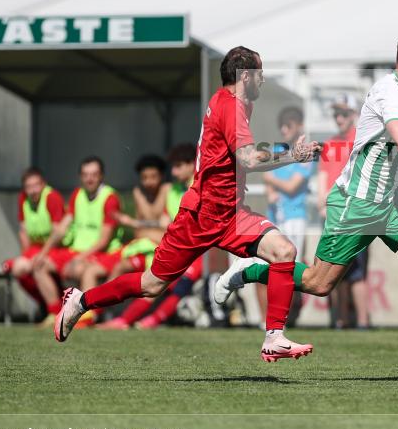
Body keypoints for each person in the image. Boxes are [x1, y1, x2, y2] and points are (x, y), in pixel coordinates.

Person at [216, 30, 398, 369]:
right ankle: (253, 269)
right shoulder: (391, 93)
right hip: (358, 203)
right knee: (318, 283)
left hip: (390, 202)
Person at [53, 46, 321, 363]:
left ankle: (274, 336)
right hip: (201, 216)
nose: (262, 80)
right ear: (245, 76)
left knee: (283, 252)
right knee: (151, 284)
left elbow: (240, 161)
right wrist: (292, 154)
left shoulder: (234, 104)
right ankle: (81, 301)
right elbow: (248, 158)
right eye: (260, 74)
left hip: (231, 214)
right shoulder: (230, 106)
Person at [223, 106, 315, 328]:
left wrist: (273, 182)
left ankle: (282, 319)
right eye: (282, 126)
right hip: (276, 218)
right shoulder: (277, 149)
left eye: (289, 126)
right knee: (273, 266)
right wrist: (272, 183)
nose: (284, 130)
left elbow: (291, 186)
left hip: (295, 218)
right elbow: (264, 175)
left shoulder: (306, 154)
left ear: (299, 126)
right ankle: (270, 320)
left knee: (290, 269)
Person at [99, 144, 200, 330]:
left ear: (191, 164)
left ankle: (140, 320)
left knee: (174, 280)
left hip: (196, 251)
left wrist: (141, 226)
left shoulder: (198, 186)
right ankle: (103, 314)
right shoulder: (173, 190)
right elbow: (164, 225)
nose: (174, 171)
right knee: (139, 273)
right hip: (166, 247)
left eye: (178, 166)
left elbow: (174, 227)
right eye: (173, 167)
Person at [33, 156, 123, 326]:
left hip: (104, 253)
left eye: (94, 174)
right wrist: (43, 253)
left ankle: (88, 317)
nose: (89, 179)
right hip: (77, 252)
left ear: (101, 176)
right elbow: (62, 228)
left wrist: (78, 259)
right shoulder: (77, 194)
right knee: (40, 264)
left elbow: (104, 241)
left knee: (84, 270)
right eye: (85, 174)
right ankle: (55, 313)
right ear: (80, 177)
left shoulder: (110, 198)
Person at [320, 94, 370, 329]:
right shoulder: (330, 144)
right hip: (334, 215)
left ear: (354, 115)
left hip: (355, 215)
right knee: (333, 272)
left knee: (357, 273)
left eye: (343, 113)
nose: (338, 118)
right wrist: (324, 203)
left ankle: (361, 322)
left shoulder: (361, 142)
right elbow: (323, 180)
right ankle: (340, 321)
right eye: (336, 114)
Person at [1, 167, 68, 323]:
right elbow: (23, 230)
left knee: (35, 265)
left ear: (43, 184)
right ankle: (48, 303)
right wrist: (27, 254)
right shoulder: (23, 199)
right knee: (19, 269)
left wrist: (40, 255)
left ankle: (55, 311)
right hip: (38, 249)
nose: (33, 190)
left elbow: (57, 234)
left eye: (36, 185)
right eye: (28, 187)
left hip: (58, 249)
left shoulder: (52, 197)